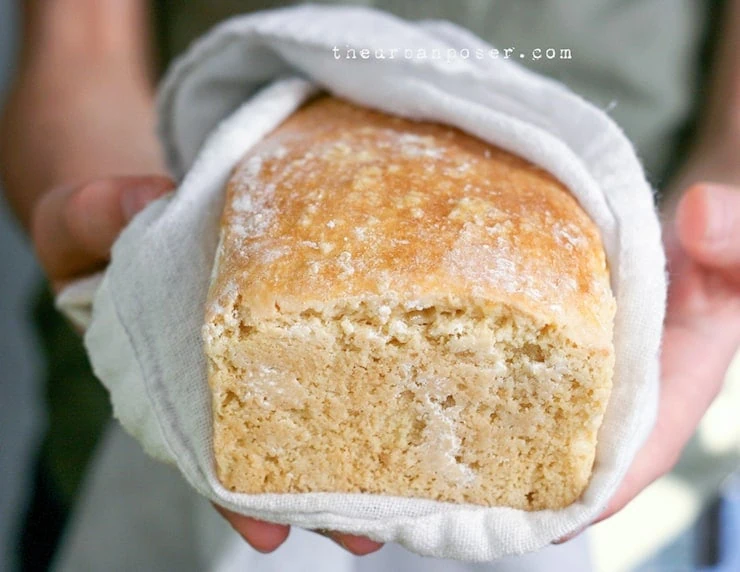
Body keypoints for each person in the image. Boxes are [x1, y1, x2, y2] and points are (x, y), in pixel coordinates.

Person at [1, 0, 739, 569]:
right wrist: (131, 250)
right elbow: (78, 52)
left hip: (636, 528)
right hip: (116, 439)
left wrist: (715, 216)